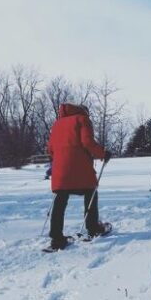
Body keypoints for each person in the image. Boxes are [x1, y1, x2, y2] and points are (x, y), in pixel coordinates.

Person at [46, 103, 110, 250]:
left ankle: (56, 238)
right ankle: (92, 228)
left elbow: (50, 149)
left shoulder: (57, 124)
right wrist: (103, 153)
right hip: (79, 167)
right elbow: (87, 142)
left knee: (60, 200)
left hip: (60, 170)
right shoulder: (82, 119)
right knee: (91, 192)